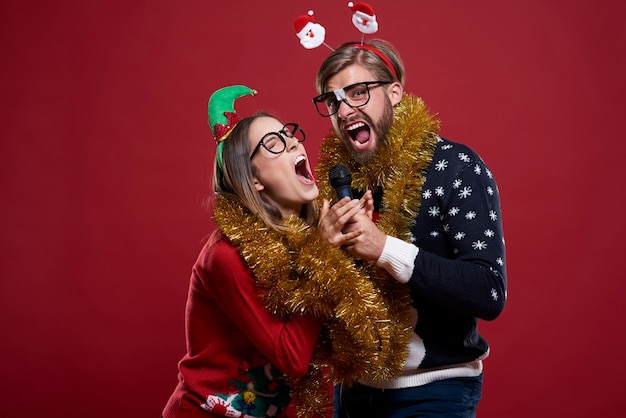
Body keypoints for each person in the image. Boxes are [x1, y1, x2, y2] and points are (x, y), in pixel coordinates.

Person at [162, 85, 404, 418]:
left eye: (288, 134)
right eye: (273, 144)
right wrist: (325, 253)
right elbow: (292, 357)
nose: (293, 141)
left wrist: (358, 243)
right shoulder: (226, 255)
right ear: (254, 178)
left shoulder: (309, 236)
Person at [312, 39, 507, 418]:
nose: (344, 109)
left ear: (395, 91)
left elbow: (488, 291)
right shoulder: (333, 184)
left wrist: (383, 248)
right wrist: (323, 251)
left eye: (358, 92)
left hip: (436, 393)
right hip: (350, 392)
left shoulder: (456, 168)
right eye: (333, 101)